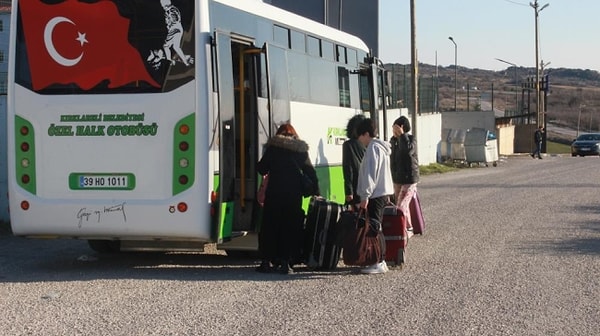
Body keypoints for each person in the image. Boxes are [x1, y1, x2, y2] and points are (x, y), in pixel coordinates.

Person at [256, 124, 319, 274]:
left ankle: (266, 262)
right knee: (289, 228)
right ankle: (286, 263)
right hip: (293, 196)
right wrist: (316, 191)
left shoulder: (273, 148)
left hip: (274, 195)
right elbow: (310, 172)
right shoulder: (301, 150)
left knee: (270, 228)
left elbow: (262, 168)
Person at [356, 118, 394, 274]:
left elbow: (371, 174)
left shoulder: (373, 148)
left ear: (366, 134)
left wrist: (365, 196)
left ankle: (377, 261)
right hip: (382, 192)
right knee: (377, 227)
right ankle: (381, 259)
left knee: (373, 228)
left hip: (375, 194)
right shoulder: (382, 148)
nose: (360, 140)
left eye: (360, 136)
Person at [390, 116, 420, 238]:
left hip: (409, 178)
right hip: (397, 178)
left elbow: (407, 151)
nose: (393, 130)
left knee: (401, 205)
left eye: (395, 128)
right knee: (400, 204)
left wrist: (402, 135)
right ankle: (407, 227)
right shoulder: (394, 141)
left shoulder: (411, 140)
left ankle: (404, 230)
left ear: (402, 128)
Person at [342, 114, 366, 207]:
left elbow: (348, 169)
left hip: (356, 187)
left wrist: (348, 192)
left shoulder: (348, 145)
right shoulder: (369, 143)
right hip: (369, 189)